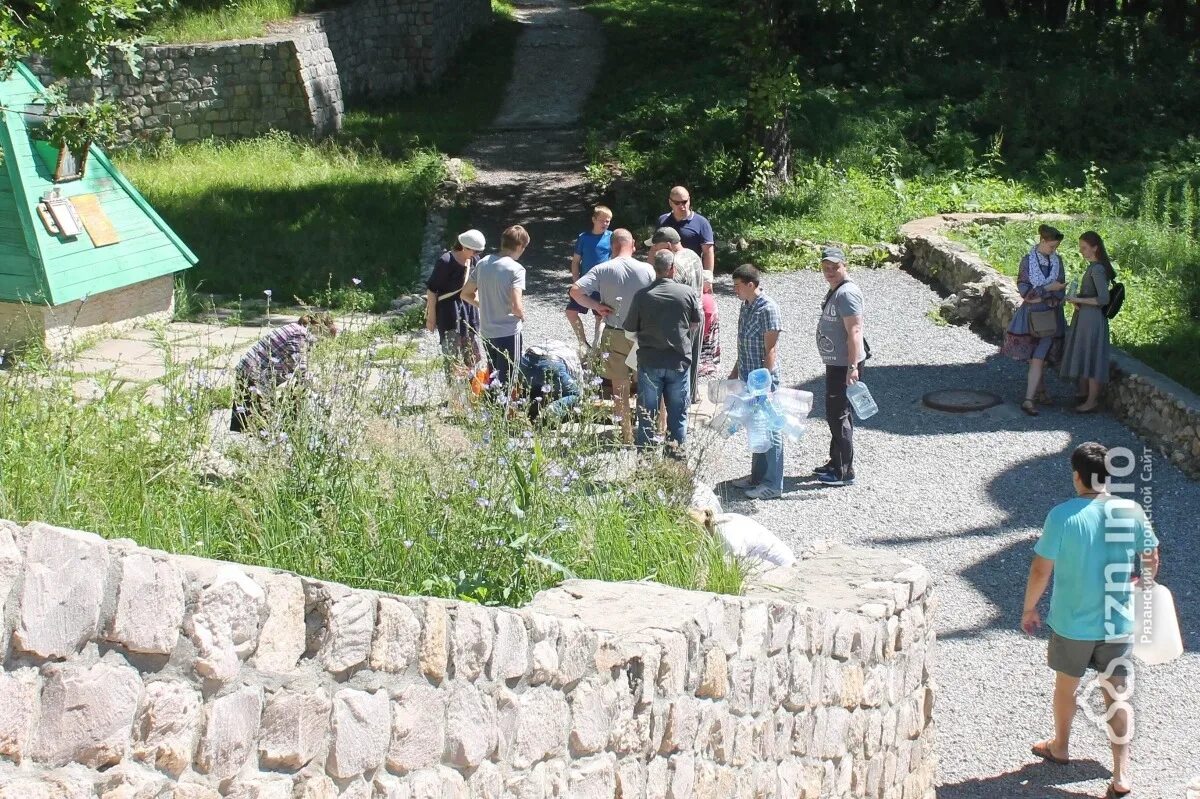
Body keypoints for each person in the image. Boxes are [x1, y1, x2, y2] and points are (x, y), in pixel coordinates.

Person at [1021, 442, 1159, 799]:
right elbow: (1151, 558)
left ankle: (1061, 747)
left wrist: (1029, 608)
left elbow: (1040, 569)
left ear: (1077, 476)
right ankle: (1121, 774)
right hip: (1118, 623)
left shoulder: (1062, 515)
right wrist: (1141, 583)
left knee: (1065, 687)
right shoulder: (1130, 510)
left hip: (1072, 623)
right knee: (1117, 696)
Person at [568, 229, 655, 445]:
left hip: (615, 332)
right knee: (648, 383)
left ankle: (624, 434)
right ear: (633, 244)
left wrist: (596, 306)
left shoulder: (602, 269)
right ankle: (650, 432)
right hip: (642, 335)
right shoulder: (647, 269)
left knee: (619, 386)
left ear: (612, 246)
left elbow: (575, 291)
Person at [624, 249, 701, 450]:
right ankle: (675, 464)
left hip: (650, 362)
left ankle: (645, 466)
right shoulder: (687, 293)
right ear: (672, 269)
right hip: (678, 362)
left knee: (647, 417)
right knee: (678, 416)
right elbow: (695, 324)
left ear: (654, 269)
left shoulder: (642, 296)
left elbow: (630, 330)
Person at [728, 264, 784, 499]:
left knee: (771, 430)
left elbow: (770, 348)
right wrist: (735, 371)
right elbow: (744, 344)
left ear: (751, 285)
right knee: (756, 428)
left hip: (762, 381)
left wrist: (765, 381)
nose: (735, 291)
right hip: (748, 378)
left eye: (738, 286)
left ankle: (773, 484)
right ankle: (757, 477)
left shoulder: (768, 308)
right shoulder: (746, 306)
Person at [230, 312, 338, 432]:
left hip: (254, 375)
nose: (321, 344)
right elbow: (300, 368)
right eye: (324, 338)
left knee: (256, 424)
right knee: (260, 426)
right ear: (318, 327)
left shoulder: (299, 330)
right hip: (252, 376)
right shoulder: (299, 334)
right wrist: (322, 389)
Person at [1001, 224, 1068, 417]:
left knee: (1039, 358)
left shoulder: (1058, 262)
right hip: (1030, 317)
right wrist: (1048, 290)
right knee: (1036, 358)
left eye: (1055, 248)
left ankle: (1030, 398)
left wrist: (1043, 294)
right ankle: (1037, 394)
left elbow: (1060, 289)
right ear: (1042, 241)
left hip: (1049, 317)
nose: (1053, 251)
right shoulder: (1027, 262)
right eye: (1051, 247)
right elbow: (1025, 292)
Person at [814, 247, 866, 487]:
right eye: (826, 268)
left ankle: (844, 471)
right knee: (837, 413)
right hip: (837, 363)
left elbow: (855, 330)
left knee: (838, 415)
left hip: (844, 364)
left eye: (835, 267)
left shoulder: (847, 294)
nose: (830, 272)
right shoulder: (836, 289)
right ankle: (835, 461)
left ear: (845, 266)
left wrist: (853, 366)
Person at [462, 224, 529, 388]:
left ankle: (491, 409)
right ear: (520, 246)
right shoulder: (516, 269)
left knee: (493, 374)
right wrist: (522, 316)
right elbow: (516, 306)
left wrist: (483, 305)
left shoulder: (483, 262)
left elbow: (465, 293)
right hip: (508, 331)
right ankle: (506, 411)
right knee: (509, 377)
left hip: (487, 331)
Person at [646, 226, 704, 399]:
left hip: (681, 320)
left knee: (678, 364)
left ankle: (680, 403)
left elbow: (669, 294)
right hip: (698, 314)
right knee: (693, 359)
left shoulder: (675, 265)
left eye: (657, 247)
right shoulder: (693, 255)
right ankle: (692, 396)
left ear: (669, 246)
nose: (655, 251)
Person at [1061, 231, 1115, 414]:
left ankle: (1091, 400)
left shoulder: (1098, 269)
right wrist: (1078, 300)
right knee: (1086, 354)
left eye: (1084, 247)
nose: (1081, 251)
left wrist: (1079, 301)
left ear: (1095, 248)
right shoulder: (1094, 267)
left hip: (1092, 320)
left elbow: (1103, 299)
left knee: (1092, 358)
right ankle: (1084, 393)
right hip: (1086, 317)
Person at [425, 229, 486, 381]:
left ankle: (472, 393)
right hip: (449, 314)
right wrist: (431, 318)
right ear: (464, 247)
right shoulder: (446, 261)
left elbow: (476, 288)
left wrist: (482, 306)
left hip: (469, 313)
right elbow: (432, 290)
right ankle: (455, 398)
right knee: (452, 357)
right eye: (475, 250)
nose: (477, 254)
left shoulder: (475, 261)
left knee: (472, 356)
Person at [565, 206, 614, 350]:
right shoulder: (584, 237)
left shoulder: (611, 237)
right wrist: (576, 281)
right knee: (571, 312)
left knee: (600, 315)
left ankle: (597, 347)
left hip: (603, 284)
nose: (605, 224)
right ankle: (583, 343)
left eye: (608, 221)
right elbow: (575, 261)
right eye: (602, 221)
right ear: (594, 219)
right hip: (585, 283)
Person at [515, 340, 583, 423]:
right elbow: (578, 382)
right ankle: (555, 407)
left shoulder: (560, 346)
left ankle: (527, 403)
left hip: (527, 362)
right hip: (552, 365)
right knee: (575, 395)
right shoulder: (574, 356)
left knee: (531, 389)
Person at [657, 186, 715, 271]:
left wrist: (708, 277)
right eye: (677, 203)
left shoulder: (701, 222)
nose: (682, 206)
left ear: (689, 200)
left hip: (692, 271)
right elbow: (655, 248)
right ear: (670, 202)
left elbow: (708, 252)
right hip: (667, 272)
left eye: (684, 202)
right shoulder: (662, 220)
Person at [698, 269, 721, 377]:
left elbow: (708, 314)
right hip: (709, 330)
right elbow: (708, 314)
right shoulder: (707, 297)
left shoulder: (703, 297)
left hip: (707, 331)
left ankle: (705, 366)